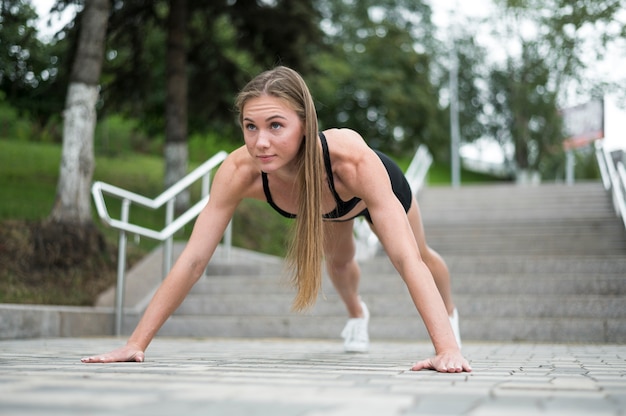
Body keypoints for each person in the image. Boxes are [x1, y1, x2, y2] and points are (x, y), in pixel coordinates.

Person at [82, 66, 471, 373]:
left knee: (419, 252)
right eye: (250, 127)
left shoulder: (351, 160)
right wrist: (136, 344)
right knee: (338, 262)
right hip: (327, 206)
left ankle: (449, 316)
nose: (260, 142)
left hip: (368, 188)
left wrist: (446, 350)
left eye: (276, 126)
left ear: (305, 124)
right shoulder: (241, 171)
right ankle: (357, 313)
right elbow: (194, 259)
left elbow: (405, 261)